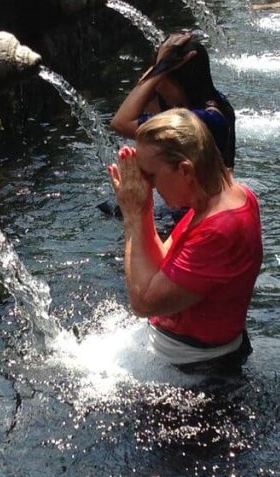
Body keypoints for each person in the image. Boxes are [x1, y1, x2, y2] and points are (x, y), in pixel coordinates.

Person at [107, 109, 263, 374]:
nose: (149, 186)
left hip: (194, 372)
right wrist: (143, 210)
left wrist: (135, 213)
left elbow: (143, 303)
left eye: (151, 175)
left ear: (185, 170)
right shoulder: (223, 197)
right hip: (191, 356)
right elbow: (162, 267)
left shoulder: (220, 230)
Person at [110, 32, 236, 168]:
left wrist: (159, 67)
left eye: (161, 78)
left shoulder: (201, 120)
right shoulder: (211, 103)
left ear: (181, 81)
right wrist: (160, 65)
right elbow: (140, 104)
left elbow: (120, 124)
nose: (156, 86)